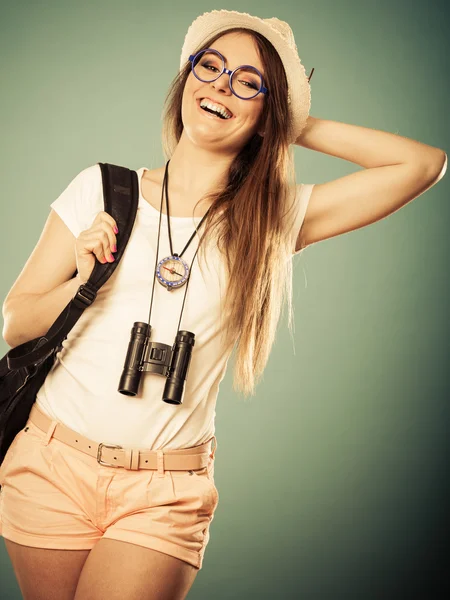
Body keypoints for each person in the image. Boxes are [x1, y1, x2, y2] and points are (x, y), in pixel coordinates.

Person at [0, 8, 446, 600]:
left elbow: (422, 165)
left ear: (268, 113)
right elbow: (16, 323)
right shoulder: (101, 189)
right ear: (185, 80)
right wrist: (82, 282)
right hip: (51, 464)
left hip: (164, 491)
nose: (220, 86)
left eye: (248, 82)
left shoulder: (271, 219)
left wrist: (297, 121)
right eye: (209, 67)